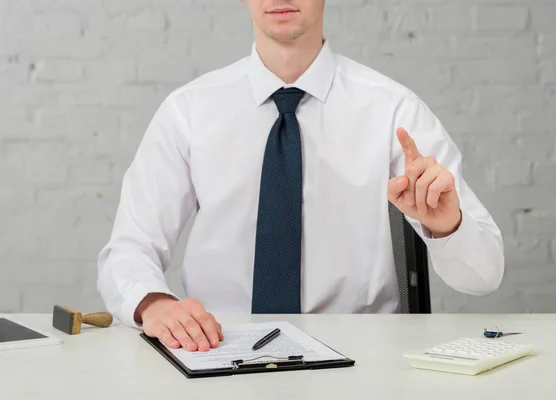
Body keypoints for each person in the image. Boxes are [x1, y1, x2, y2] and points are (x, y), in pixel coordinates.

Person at [97, 0, 504, 353]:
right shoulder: (188, 112)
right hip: (217, 350)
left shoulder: (394, 111)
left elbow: (483, 276)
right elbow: (130, 248)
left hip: (363, 361)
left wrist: (447, 226)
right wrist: (154, 304)